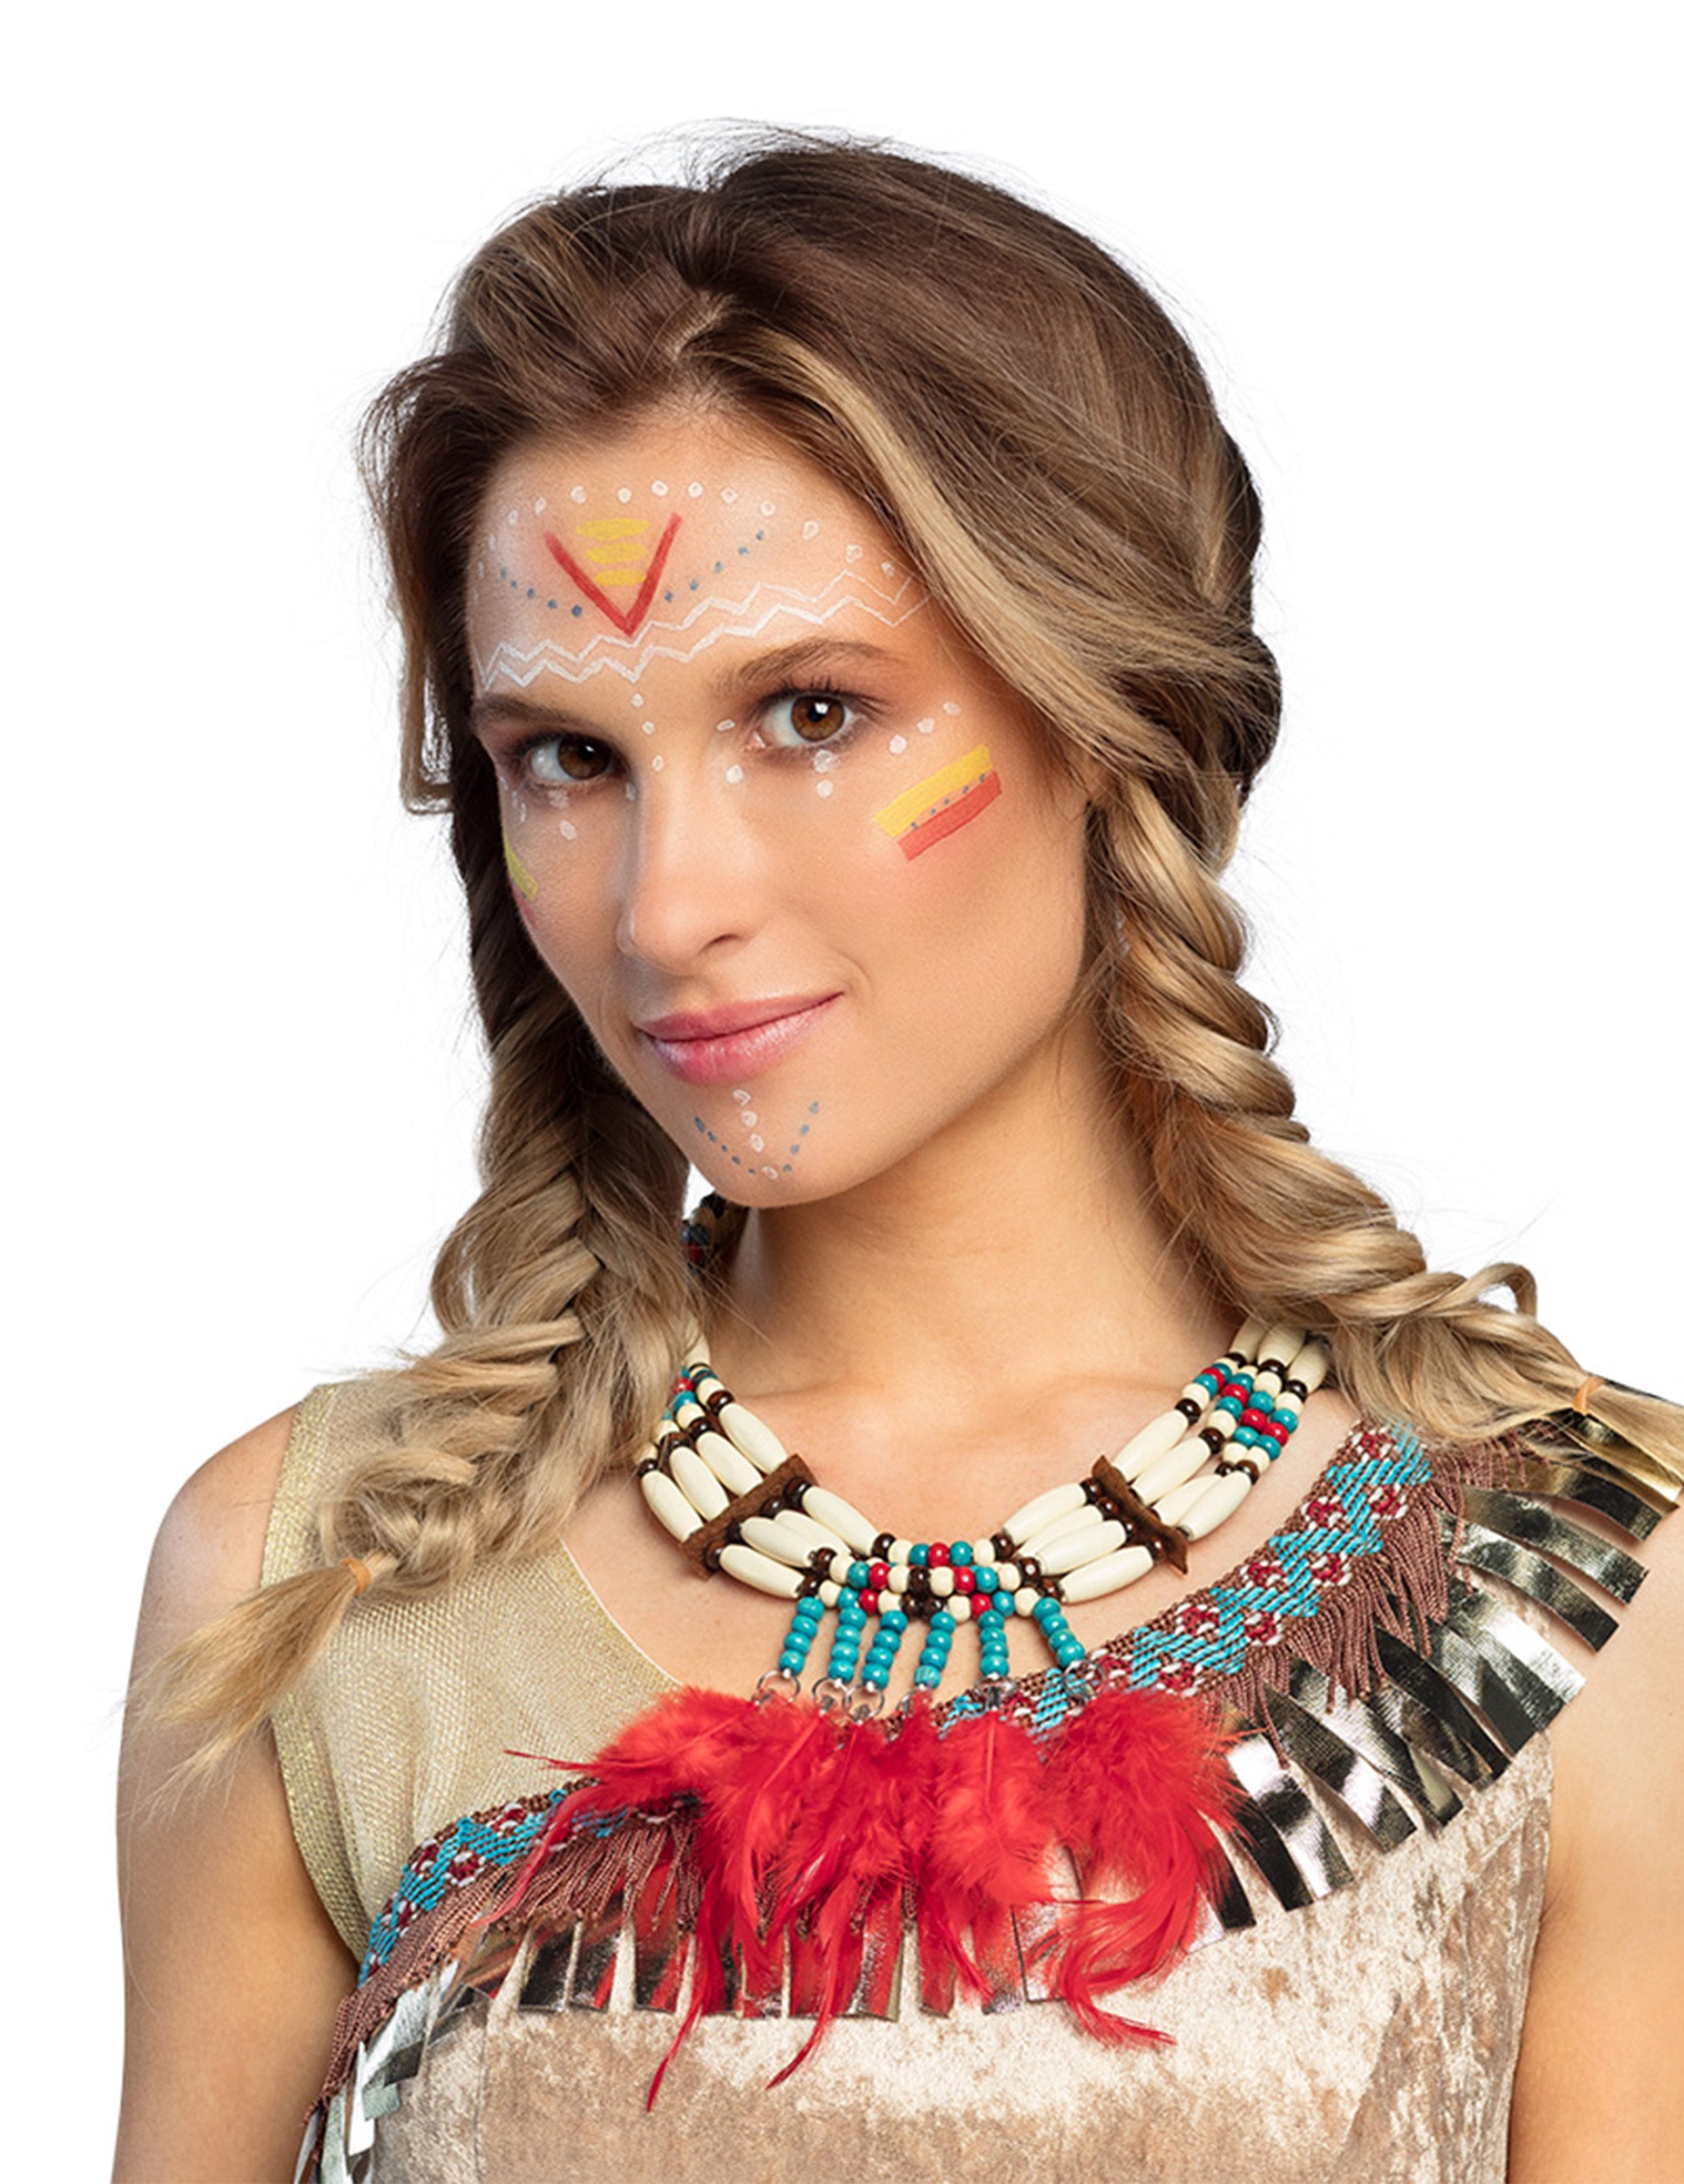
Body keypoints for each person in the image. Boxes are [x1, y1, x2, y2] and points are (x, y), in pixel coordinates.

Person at [115, 137, 1684, 2184]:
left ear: (1102, 713)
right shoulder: (323, 1584)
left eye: (811, 713)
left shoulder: (1578, 1587)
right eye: (567, 758)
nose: (666, 906)